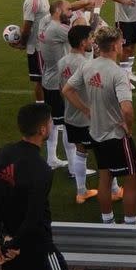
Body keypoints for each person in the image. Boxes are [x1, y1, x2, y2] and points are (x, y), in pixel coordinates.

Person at [0, 103, 83, 270]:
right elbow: (34, 217)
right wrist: (13, 243)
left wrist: (6, 240)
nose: (51, 125)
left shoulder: (1, 155)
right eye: (49, 122)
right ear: (42, 130)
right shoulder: (41, 169)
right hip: (39, 249)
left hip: (11, 250)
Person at [62, 26, 136, 225]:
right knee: (131, 179)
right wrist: (128, 129)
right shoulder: (118, 73)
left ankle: (108, 221)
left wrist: (86, 110)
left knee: (105, 177)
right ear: (114, 45)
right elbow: (127, 109)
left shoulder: (88, 66)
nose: (123, 45)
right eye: (121, 42)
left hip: (96, 133)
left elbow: (67, 89)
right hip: (115, 135)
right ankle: (131, 224)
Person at [57, 26, 104, 204]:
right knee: (104, 153)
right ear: (83, 42)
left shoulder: (62, 62)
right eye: (90, 38)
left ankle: (81, 192)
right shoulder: (85, 65)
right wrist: (87, 109)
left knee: (80, 152)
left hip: (70, 116)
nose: (92, 40)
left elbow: (61, 89)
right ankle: (114, 189)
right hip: (88, 118)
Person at [37, 0, 77, 171]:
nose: (71, 13)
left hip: (49, 80)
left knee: (53, 122)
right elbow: (81, 37)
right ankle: (74, 168)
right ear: (58, 11)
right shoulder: (58, 29)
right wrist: (95, 8)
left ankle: (51, 158)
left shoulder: (46, 24)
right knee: (68, 124)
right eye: (68, 10)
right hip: (58, 84)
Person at [18, 0, 52, 103]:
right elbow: (27, 26)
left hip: (44, 45)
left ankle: (46, 106)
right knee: (41, 80)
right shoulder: (33, 0)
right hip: (37, 48)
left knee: (47, 78)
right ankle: (42, 108)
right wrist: (22, 43)